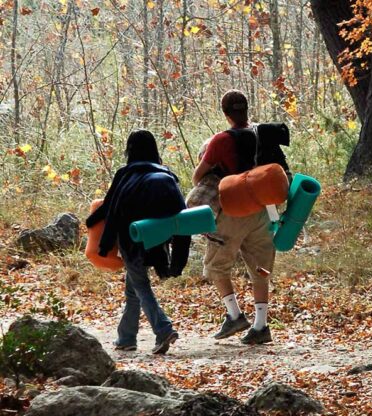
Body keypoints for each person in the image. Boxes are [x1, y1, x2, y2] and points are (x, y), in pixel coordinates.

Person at [192, 90, 290, 345]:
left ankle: (234, 314)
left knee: (216, 264)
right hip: (265, 209)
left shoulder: (220, 140)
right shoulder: (265, 133)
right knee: (261, 267)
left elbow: (197, 177)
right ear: (247, 108)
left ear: (225, 114)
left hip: (234, 209)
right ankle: (261, 325)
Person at [86, 130, 190, 354]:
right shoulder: (166, 174)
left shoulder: (125, 173)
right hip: (159, 236)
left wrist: (90, 222)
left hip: (132, 236)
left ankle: (163, 328)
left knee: (140, 284)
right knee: (133, 286)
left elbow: (109, 205)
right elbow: (181, 215)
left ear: (130, 150)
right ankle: (126, 337)